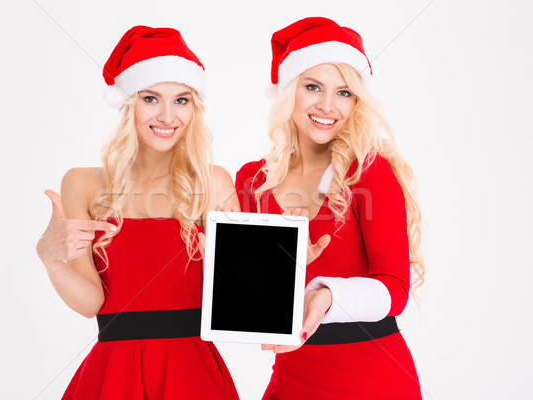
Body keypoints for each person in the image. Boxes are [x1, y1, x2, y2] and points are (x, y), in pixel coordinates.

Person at [36, 25, 239, 400]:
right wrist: (50, 259)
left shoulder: (213, 182)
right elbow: (91, 304)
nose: (167, 116)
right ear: (128, 102)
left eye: (182, 100)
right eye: (151, 99)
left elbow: (239, 306)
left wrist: (261, 261)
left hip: (193, 374)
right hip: (114, 375)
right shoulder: (82, 184)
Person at [235, 17, 425, 399]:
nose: (327, 106)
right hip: (291, 380)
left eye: (343, 93)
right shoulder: (252, 182)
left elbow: (395, 289)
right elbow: (245, 295)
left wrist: (326, 295)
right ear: (289, 92)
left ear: (357, 101)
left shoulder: (367, 172)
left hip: (374, 381)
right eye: (312, 87)